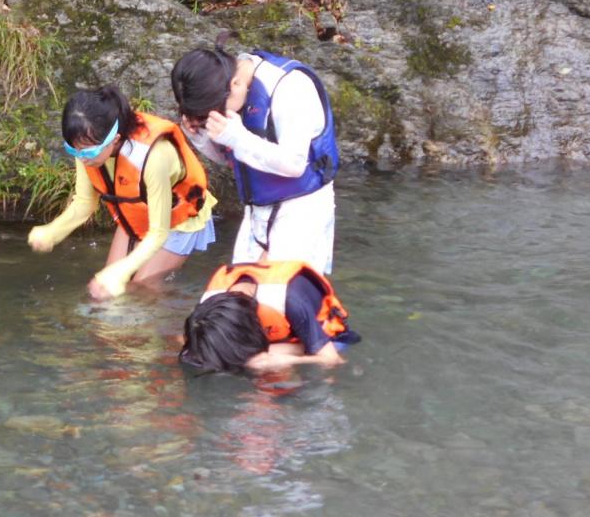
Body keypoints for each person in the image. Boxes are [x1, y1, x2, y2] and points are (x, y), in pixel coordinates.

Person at [28, 86, 218, 300]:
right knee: (103, 293)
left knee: (138, 291)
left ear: (115, 139)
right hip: (137, 213)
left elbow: (158, 232)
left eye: (88, 151)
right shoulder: (85, 147)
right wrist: (53, 232)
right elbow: (84, 203)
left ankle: (176, 322)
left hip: (178, 221)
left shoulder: (153, 157)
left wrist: (122, 271)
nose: (81, 158)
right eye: (73, 150)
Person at [170, 35, 339, 272]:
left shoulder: (290, 87)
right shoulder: (231, 86)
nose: (213, 117)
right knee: (241, 298)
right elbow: (233, 159)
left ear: (235, 85)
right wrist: (202, 139)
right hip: (256, 210)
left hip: (302, 209)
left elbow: (294, 164)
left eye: (213, 112)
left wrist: (236, 137)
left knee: (280, 298)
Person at [179, 261, 360, 372]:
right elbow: (187, 339)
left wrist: (286, 361)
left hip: (325, 340)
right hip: (267, 336)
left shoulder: (291, 299)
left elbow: (333, 360)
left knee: (256, 369)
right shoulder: (212, 303)